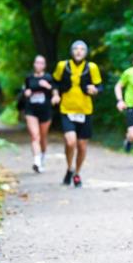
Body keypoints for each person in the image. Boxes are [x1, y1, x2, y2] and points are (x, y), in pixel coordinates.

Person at [53, 40, 102, 188]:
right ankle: (69, 167)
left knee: (81, 145)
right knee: (70, 142)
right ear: (72, 51)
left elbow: (100, 86)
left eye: (82, 49)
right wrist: (55, 94)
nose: (79, 52)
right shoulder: (63, 66)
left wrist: (95, 90)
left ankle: (77, 173)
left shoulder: (91, 67)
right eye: (76, 49)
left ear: (86, 52)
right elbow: (54, 81)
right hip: (67, 109)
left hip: (85, 110)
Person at [22, 56, 59, 173]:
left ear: (44, 65)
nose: (39, 65)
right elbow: (26, 90)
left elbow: (55, 91)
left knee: (43, 137)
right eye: (37, 62)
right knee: (35, 136)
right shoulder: (29, 78)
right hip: (31, 110)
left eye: (41, 63)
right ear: (34, 64)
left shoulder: (48, 77)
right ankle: (36, 162)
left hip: (45, 110)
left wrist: (47, 86)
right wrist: (26, 93)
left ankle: (42, 157)